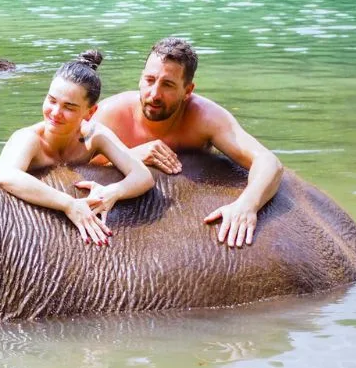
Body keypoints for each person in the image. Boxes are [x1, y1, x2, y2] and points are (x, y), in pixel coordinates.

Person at [91, 37, 283, 248]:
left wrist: (247, 206)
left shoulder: (205, 117)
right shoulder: (111, 114)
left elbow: (268, 162)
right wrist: (130, 156)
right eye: (149, 80)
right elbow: (69, 160)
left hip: (183, 214)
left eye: (168, 85)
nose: (154, 94)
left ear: (188, 91)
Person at [0, 50, 154, 247]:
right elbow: (5, 175)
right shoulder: (29, 139)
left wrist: (113, 192)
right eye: (52, 100)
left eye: (69, 107)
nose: (55, 112)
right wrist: (69, 204)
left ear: (90, 112)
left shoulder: (94, 136)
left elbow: (142, 175)